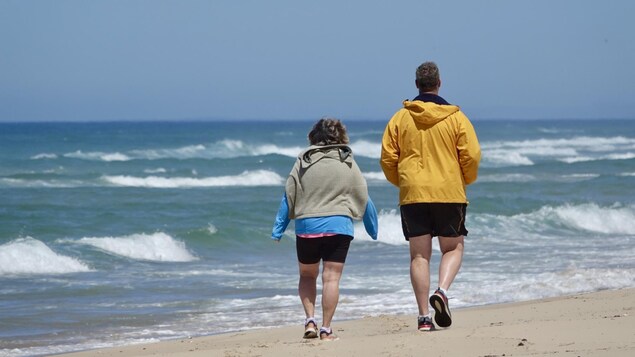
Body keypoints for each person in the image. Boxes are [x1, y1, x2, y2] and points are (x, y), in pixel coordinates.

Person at [380, 61, 481, 331]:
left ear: (417, 86)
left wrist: (403, 182)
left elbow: (388, 158)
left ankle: (424, 317)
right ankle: (443, 291)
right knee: (453, 248)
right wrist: (465, 179)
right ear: (439, 84)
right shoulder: (456, 117)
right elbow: (471, 155)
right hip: (448, 191)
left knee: (419, 257)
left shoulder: (400, 118)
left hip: (414, 194)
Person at [272, 118, 378, 341]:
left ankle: (310, 320)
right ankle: (326, 329)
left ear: (314, 136)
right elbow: (363, 194)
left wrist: (278, 228)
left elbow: (289, 194)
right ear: (341, 136)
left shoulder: (304, 159)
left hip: (307, 227)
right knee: (331, 280)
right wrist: (372, 227)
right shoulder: (346, 160)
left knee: (307, 276)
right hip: (339, 226)